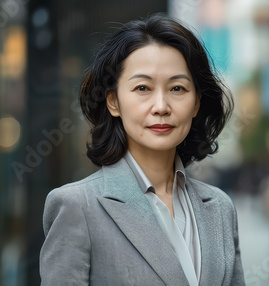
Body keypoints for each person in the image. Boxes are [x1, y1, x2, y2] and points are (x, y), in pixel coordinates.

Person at [39, 14, 244, 285]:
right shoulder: (77, 206)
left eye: (178, 88)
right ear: (113, 101)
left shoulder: (220, 208)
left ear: (196, 103)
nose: (161, 106)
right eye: (143, 87)